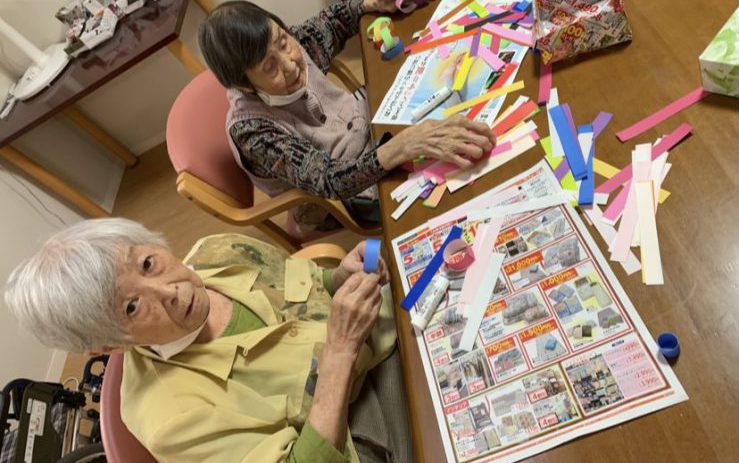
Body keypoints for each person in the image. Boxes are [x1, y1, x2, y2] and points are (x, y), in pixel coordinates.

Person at [4, 218, 412, 463]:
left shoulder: (217, 251)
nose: (169, 291)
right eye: (131, 307)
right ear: (109, 346)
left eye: (148, 263)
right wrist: (339, 351)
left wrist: (337, 278)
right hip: (367, 425)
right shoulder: (169, 418)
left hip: (385, 328)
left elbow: (300, 287)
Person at [198, 0, 497, 231]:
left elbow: (333, 21)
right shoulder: (253, 132)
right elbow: (330, 180)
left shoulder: (289, 44)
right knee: (453, 197)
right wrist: (405, 145)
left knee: (447, 83)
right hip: (342, 195)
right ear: (242, 84)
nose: (290, 64)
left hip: (368, 128)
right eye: (269, 67)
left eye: (283, 41)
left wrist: (370, 4)